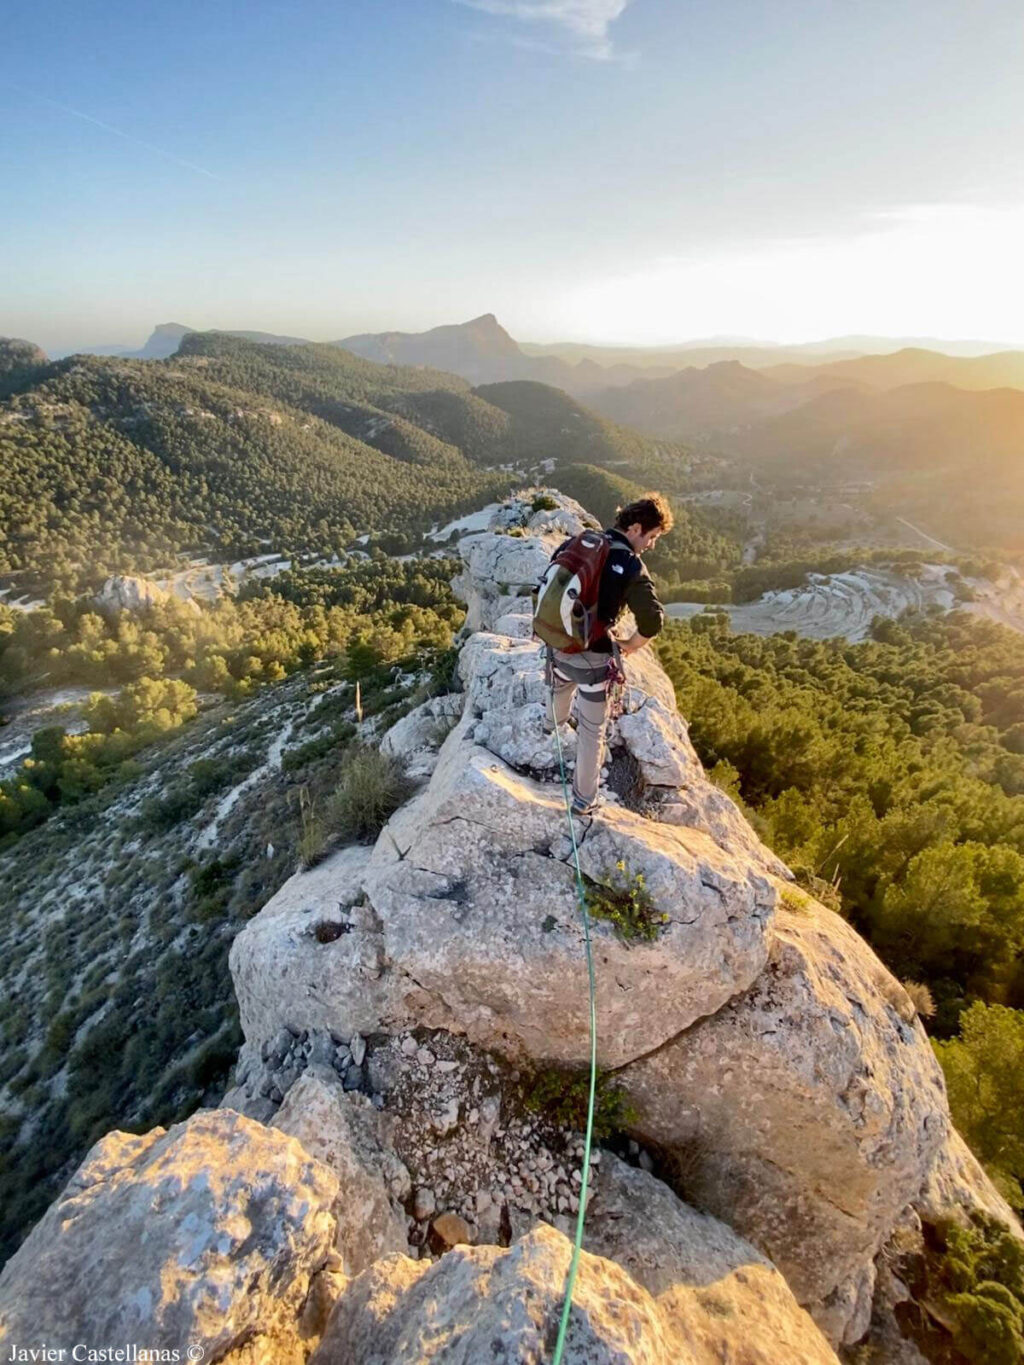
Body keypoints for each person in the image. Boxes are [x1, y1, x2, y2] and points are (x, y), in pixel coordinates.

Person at [546, 494, 672, 815]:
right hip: (594, 660)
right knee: (591, 731)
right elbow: (653, 619)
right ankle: (583, 801)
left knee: (560, 686)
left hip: (557, 647)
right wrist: (630, 645)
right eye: (652, 537)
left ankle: (553, 725)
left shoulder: (576, 543)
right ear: (635, 528)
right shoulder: (629, 564)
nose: (651, 545)